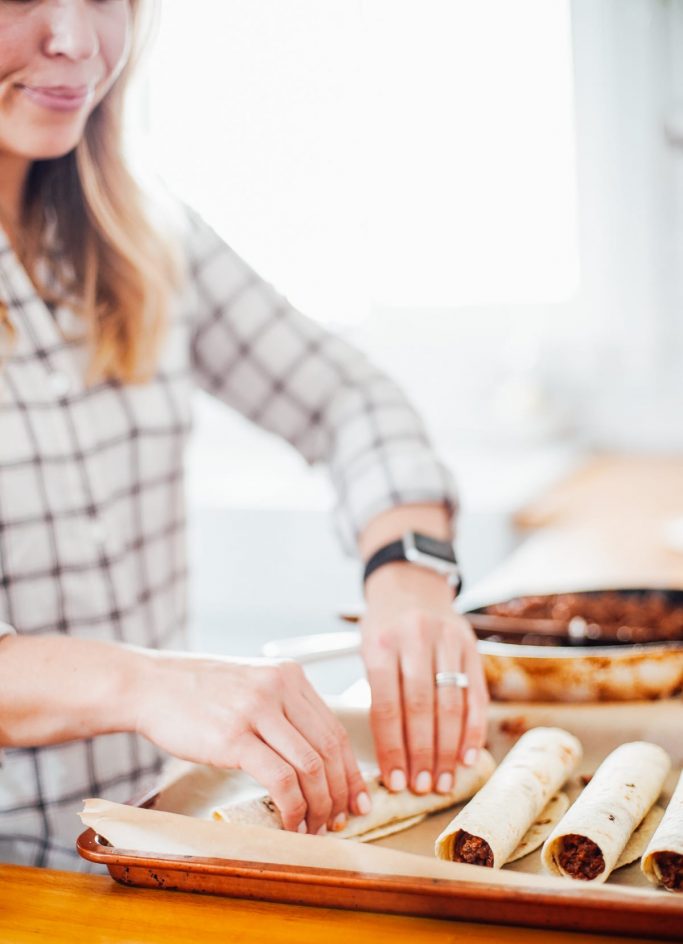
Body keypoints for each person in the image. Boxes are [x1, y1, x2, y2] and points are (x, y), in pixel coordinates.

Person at [0, 0, 488, 869]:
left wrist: (406, 570)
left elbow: (347, 398)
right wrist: (145, 682)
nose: (74, 40)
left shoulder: (146, 232)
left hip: (145, 848)